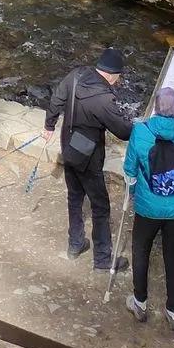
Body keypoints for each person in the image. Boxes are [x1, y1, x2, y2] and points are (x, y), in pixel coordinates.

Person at [43, 45, 135, 272]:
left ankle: (75, 245)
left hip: (69, 147)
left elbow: (56, 99)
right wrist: (137, 124)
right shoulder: (103, 100)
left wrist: (49, 125)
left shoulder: (76, 75)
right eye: (119, 77)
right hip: (89, 158)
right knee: (100, 206)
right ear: (113, 76)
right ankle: (102, 259)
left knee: (74, 198)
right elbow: (123, 131)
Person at [124, 83, 174, 331]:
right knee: (173, 256)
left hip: (148, 207)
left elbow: (129, 168)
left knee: (141, 251)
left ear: (155, 107)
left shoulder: (140, 131)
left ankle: (140, 303)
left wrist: (132, 189)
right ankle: (173, 311)